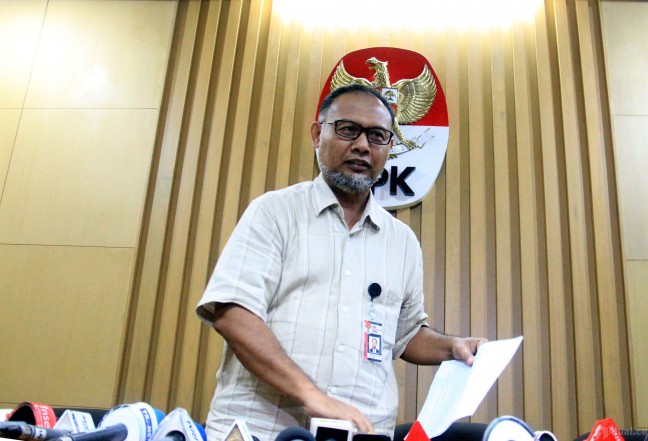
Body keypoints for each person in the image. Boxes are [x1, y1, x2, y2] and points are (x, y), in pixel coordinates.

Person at [196, 84, 487, 441]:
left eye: (377, 136)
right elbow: (234, 314)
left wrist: (452, 347)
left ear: (389, 147)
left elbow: (406, 334)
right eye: (348, 129)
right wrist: (312, 396)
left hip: (363, 432)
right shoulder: (274, 212)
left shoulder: (403, 243)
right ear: (317, 134)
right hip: (262, 430)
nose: (363, 145)